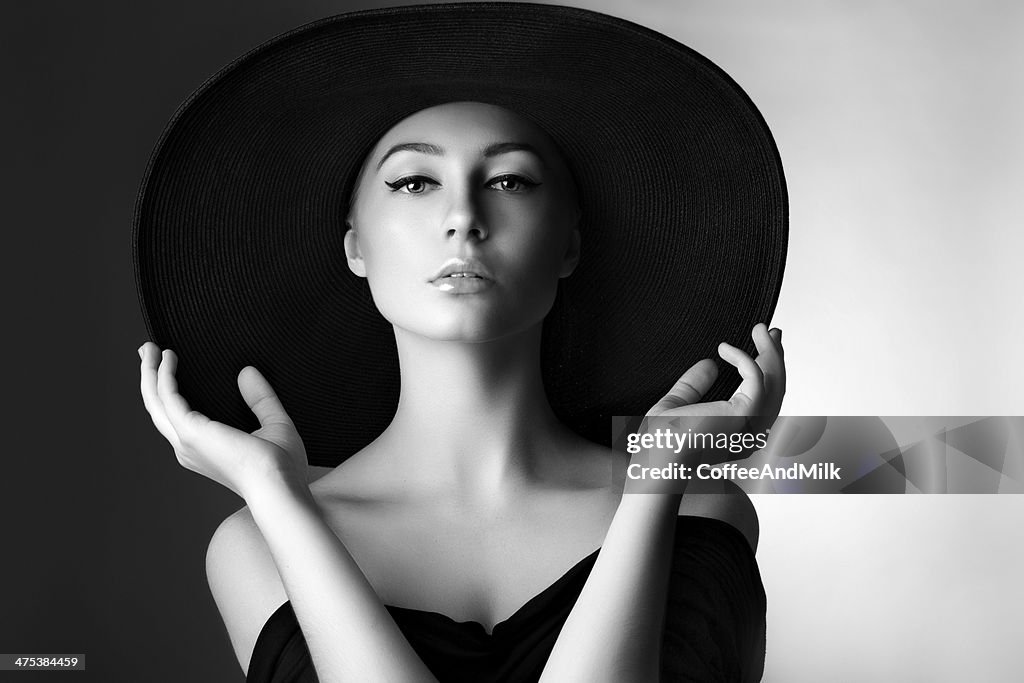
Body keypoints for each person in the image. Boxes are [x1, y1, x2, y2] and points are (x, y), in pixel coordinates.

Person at [133, 5, 787, 681]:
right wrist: (274, 494)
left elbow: (896, 461)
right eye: (415, 182)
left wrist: (654, 489)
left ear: (569, 244)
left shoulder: (702, 509)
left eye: (510, 181)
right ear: (355, 245)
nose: (464, 218)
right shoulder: (256, 540)